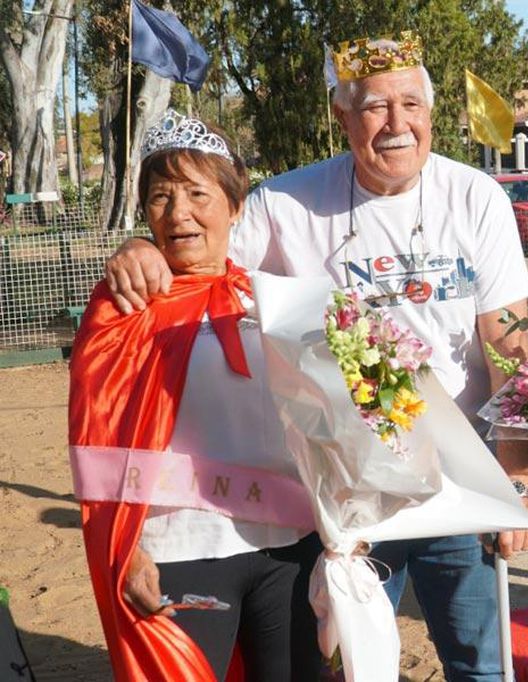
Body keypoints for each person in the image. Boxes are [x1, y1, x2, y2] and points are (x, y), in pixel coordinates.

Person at [104, 31, 528, 681]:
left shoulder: (476, 198)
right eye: (374, 107)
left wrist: (517, 478)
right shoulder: (284, 204)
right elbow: (200, 248)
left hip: (464, 475)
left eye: (411, 105)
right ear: (341, 116)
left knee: (479, 662)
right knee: (356, 663)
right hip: (347, 492)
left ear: (431, 112)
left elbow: (508, 344)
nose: (396, 124)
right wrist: (143, 246)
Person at [69, 110, 321, 680]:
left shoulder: (275, 300)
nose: (178, 213)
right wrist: (125, 551)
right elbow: (96, 440)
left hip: (288, 547)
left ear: (235, 207)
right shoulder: (123, 307)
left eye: (196, 194)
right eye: (160, 197)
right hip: (179, 549)